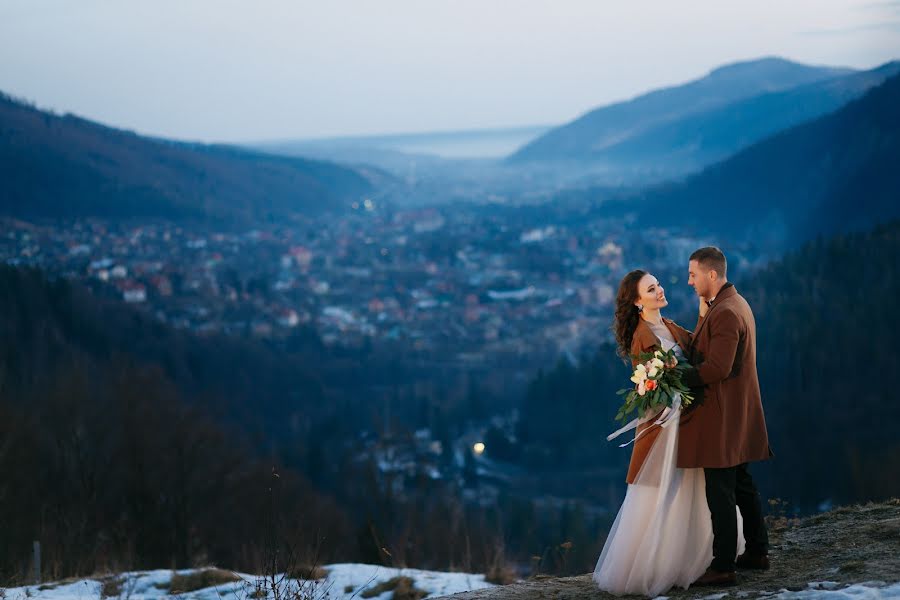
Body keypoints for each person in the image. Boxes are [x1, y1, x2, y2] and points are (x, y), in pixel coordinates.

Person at [593, 269, 745, 597]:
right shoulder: (642, 335)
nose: (660, 290)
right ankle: (660, 563)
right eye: (651, 289)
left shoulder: (669, 325)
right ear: (636, 302)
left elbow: (696, 348)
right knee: (668, 490)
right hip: (667, 423)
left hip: (687, 419)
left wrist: (708, 313)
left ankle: (694, 556)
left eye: (658, 284)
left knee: (694, 488)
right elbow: (655, 381)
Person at [680, 246, 773, 585]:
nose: (689, 281)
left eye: (693, 274)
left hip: (723, 416)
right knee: (743, 484)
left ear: (712, 275)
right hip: (738, 411)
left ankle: (723, 566)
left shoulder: (726, 313)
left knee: (720, 491)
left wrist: (677, 375)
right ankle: (757, 551)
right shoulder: (729, 305)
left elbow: (717, 368)